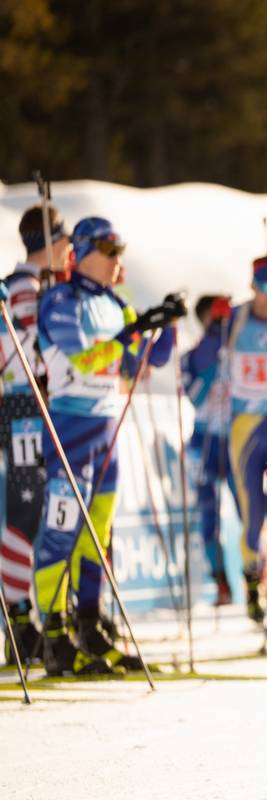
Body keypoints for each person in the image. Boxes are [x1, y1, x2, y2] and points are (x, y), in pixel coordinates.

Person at [34, 217, 182, 675]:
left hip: (104, 428)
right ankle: (54, 637)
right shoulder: (62, 299)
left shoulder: (116, 304)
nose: (119, 258)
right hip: (70, 426)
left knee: (98, 535)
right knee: (61, 530)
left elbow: (149, 359)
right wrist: (131, 333)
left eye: (121, 250)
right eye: (110, 249)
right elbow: (87, 357)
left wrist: (165, 324)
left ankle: (90, 627)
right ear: (84, 249)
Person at [0, 204, 70, 665]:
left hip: (27, 403)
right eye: (64, 242)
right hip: (26, 403)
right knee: (28, 509)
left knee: (34, 507)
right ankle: (20, 621)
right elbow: (33, 347)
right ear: (53, 242)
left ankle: (25, 619)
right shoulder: (25, 287)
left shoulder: (21, 284)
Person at [228, 256, 267, 624]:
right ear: (253, 286)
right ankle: (252, 581)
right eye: (265, 288)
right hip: (246, 429)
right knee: (252, 515)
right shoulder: (236, 320)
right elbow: (201, 357)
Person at [181, 294, 238, 605]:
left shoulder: (239, 347)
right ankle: (221, 582)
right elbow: (195, 397)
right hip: (205, 438)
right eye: (214, 320)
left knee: (249, 509)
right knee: (208, 514)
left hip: (236, 437)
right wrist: (214, 340)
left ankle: (260, 579)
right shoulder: (193, 356)